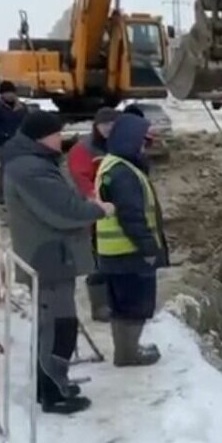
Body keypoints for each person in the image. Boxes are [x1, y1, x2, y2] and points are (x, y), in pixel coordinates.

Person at [1, 110, 114, 415]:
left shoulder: (33, 163)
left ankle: (54, 383)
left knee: (57, 324)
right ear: (41, 136)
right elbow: (63, 211)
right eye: (56, 133)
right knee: (58, 327)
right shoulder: (31, 169)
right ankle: (53, 393)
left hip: (51, 254)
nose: (60, 139)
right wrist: (99, 210)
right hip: (49, 256)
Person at [94, 112, 169, 367]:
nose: (143, 146)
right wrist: (149, 248)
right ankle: (128, 353)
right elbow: (132, 216)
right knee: (134, 305)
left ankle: (127, 349)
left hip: (115, 253)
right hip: (129, 252)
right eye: (141, 141)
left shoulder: (113, 164)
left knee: (123, 304)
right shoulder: (124, 173)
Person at [68, 107, 120, 321]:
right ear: (96, 126)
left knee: (117, 257)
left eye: (112, 125)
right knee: (98, 259)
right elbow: (80, 179)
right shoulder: (83, 150)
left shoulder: (119, 146)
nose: (108, 129)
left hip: (118, 210)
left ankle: (117, 300)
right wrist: (94, 199)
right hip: (96, 212)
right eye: (104, 125)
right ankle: (99, 306)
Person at [0, 80, 27, 149]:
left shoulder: (22, 108)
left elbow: (28, 123)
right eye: (7, 93)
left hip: (22, 143)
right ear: (2, 94)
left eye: (12, 92)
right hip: (4, 143)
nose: (10, 95)